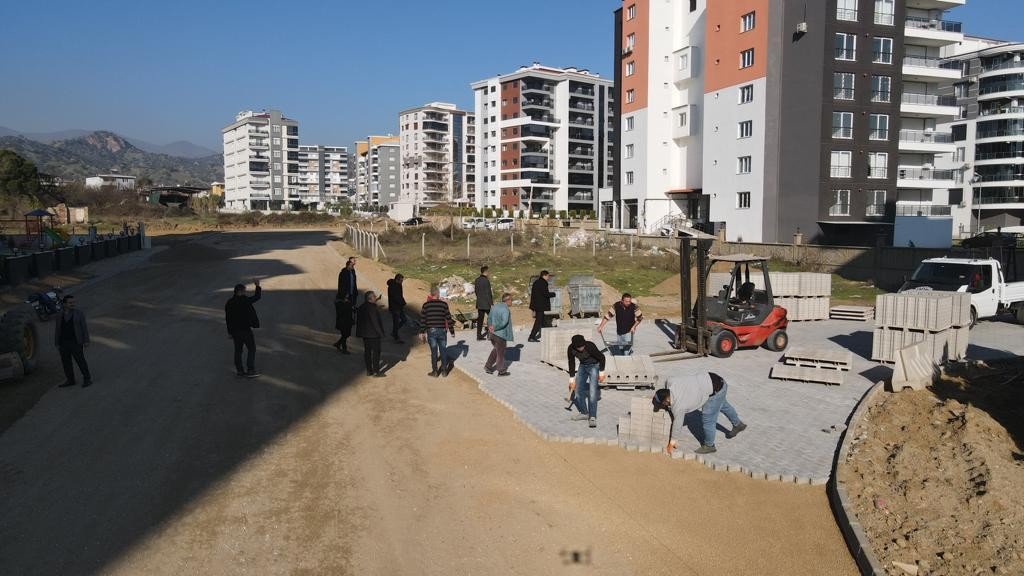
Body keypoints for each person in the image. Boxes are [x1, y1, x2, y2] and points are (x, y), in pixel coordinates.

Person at [652, 371, 747, 455]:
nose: (662, 406)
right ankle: (738, 424)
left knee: (708, 419)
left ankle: (709, 446)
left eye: (662, 404)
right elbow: (669, 381)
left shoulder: (678, 406)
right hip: (714, 379)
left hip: (715, 390)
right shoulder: (670, 382)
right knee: (722, 405)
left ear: (666, 400)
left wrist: (672, 442)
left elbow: (677, 424)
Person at [567, 334, 605, 428]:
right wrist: (571, 379)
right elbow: (571, 362)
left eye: (583, 346)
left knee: (592, 393)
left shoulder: (590, 346)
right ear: (575, 346)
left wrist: (601, 372)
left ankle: (592, 417)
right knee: (578, 390)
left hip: (594, 366)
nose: (581, 348)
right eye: (579, 347)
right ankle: (584, 413)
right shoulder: (570, 349)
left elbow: (602, 358)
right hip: (583, 366)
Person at [225, 279, 262, 377]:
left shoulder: (229, 303)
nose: (245, 293)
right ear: (240, 291)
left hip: (235, 331)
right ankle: (250, 370)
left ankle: (240, 371)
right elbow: (257, 297)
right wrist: (257, 286)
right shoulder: (244, 300)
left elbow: (228, 319)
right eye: (244, 291)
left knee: (238, 351)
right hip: (245, 330)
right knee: (251, 349)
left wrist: (229, 332)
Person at [54, 294, 92, 388]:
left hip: (75, 342)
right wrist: (57, 342)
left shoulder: (79, 313)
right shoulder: (59, 315)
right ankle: (70, 380)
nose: (73, 304)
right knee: (66, 363)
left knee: (80, 361)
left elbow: (84, 328)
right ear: (64, 304)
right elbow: (57, 329)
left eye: (73, 302)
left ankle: (87, 379)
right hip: (63, 343)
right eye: (70, 303)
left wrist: (86, 341)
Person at [419, 286, 455, 377]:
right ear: (438, 294)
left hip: (431, 331)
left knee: (434, 352)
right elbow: (448, 318)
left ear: (431, 294)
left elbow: (423, 320)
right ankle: (444, 370)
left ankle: (435, 371)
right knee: (443, 351)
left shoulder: (426, 305)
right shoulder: (444, 305)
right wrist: (452, 331)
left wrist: (421, 332)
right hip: (442, 331)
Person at [355, 290, 385, 377]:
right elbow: (375, 322)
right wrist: (381, 333)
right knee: (376, 352)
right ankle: (376, 371)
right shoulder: (372, 308)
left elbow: (359, 322)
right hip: (374, 334)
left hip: (365, 334)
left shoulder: (361, 307)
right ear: (370, 299)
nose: (375, 298)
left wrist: (359, 332)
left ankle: (369, 371)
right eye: (374, 297)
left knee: (367, 352)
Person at [484, 293, 514, 376]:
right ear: (507, 300)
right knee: (500, 353)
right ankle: (501, 371)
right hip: (500, 335)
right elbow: (504, 322)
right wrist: (495, 328)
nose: (512, 302)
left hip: (492, 334)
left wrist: (490, 326)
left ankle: (488, 366)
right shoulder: (505, 309)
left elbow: (489, 318)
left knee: (496, 350)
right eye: (511, 300)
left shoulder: (495, 306)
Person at [528, 270, 555, 342]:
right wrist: (553, 294)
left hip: (536, 305)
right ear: (544, 275)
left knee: (543, 320)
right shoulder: (543, 283)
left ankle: (547, 333)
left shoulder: (536, 282)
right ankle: (531, 336)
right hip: (540, 306)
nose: (548, 278)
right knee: (538, 321)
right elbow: (545, 294)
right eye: (548, 276)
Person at [474, 266, 493, 341]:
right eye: (488, 271)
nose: (488, 273)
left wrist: (479, 298)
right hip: (486, 303)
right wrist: (491, 303)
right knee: (491, 318)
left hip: (479, 303)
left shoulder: (477, 280)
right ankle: (490, 335)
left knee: (480, 320)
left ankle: (478, 336)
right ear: (485, 272)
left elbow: (476, 291)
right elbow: (488, 293)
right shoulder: (486, 281)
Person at [386, 273, 407, 343]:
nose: (402, 282)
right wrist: (403, 303)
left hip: (399, 307)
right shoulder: (392, 286)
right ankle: (396, 336)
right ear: (397, 279)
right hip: (394, 307)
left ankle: (394, 332)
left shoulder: (399, 285)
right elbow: (395, 297)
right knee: (396, 322)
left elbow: (400, 296)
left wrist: (402, 302)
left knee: (404, 320)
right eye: (401, 280)